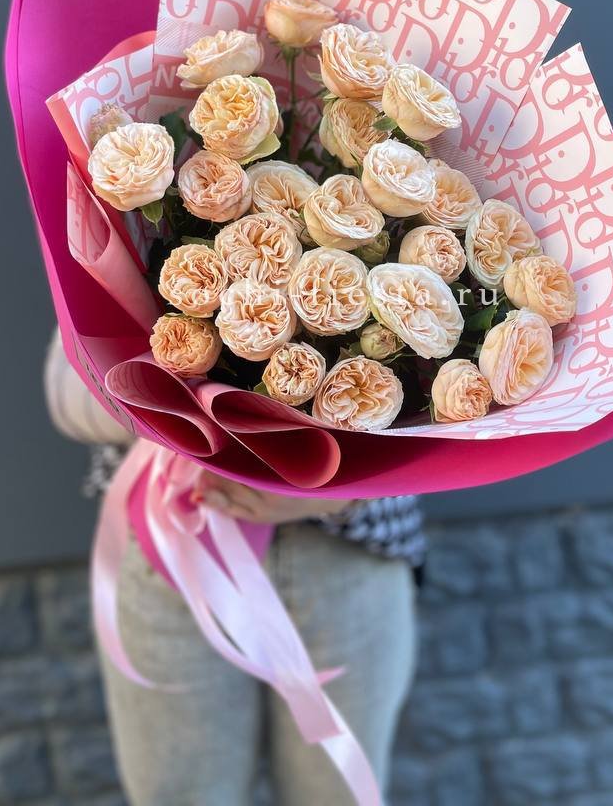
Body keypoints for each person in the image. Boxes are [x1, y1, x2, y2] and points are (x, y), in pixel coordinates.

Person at [46, 333, 423, 805]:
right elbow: (65, 394)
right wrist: (171, 403)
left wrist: (340, 487)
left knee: (338, 794)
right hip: (174, 544)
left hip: (349, 550)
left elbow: (437, 410)